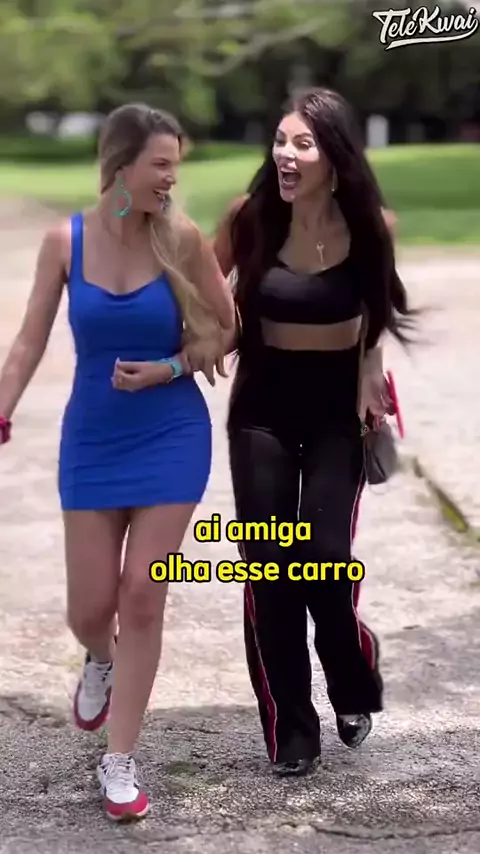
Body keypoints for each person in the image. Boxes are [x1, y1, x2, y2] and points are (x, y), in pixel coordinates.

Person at [0, 103, 235, 820]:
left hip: (172, 434)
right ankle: (99, 657)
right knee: (90, 609)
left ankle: (121, 760)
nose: (170, 178)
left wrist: (170, 368)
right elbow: (29, 341)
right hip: (93, 441)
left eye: (175, 166)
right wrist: (2, 408)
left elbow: (227, 327)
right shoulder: (64, 243)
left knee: (142, 594)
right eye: (160, 164)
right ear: (120, 166)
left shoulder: (182, 239)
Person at [213, 87, 414, 777]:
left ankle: (353, 679)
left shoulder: (372, 226)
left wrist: (371, 369)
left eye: (302, 143)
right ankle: (291, 729)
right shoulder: (249, 217)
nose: (286, 155)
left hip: (336, 414)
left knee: (324, 562)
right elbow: (202, 289)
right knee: (270, 570)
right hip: (261, 411)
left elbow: (378, 310)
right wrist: (196, 338)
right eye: (280, 141)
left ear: (335, 156)